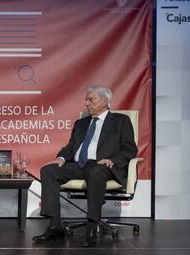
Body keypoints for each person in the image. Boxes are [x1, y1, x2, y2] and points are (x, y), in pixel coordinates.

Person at [32, 85, 138, 247]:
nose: (86, 103)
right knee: (49, 170)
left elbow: (130, 149)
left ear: (104, 102)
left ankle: (91, 226)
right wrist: (61, 157)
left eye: (91, 100)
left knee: (95, 171)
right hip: (79, 165)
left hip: (103, 166)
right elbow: (71, 145)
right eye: (86, 100)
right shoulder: (81, 123)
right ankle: (55, 226)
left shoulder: (120, 121)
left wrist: (114, 160)